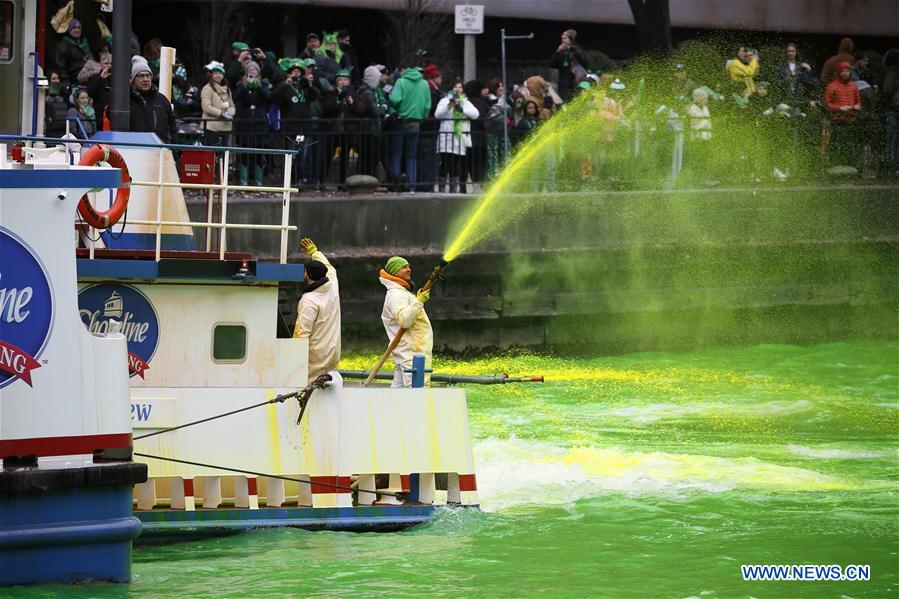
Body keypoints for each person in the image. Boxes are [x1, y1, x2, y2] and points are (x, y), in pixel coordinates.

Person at [379, 256, 432, 388]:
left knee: (398, 398)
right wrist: (419, 301)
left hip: (409, 354)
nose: (409, 269)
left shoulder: (402, 293)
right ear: (394, 271)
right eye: (403, 267)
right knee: (417, 396)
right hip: (411, 356)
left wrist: (417, 300)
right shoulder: (396, 295)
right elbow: (405, 321)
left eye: (408, 266)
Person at [293, 237, 341, 382]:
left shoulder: (309, 301)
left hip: (315, 358)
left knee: (310, 388)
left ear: (307, 274)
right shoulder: (332, 284)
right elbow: (329, 266)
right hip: (333, 352)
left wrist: (292, 360)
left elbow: (301, 334)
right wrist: (314, 252)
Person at [389, 66, 432, 192]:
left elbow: (395, 99)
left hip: (401, 121)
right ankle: (412, 186)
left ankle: (396, 185)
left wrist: (394, 108)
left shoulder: (401, 82)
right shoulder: (424, 84)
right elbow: (427, 105)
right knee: (412, 156)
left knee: (397, 154)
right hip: (416, 123)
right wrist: (422, 117)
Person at [435, 79, 479, 193]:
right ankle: (441, 187)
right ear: (451, 89)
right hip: (446, 137)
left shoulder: (466, 102)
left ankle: (453, 188)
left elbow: (475, 114)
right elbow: (437, 115)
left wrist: (462, 109)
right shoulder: (444, 101)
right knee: (445, 163)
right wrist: (449, 107)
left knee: (455, 164)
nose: (457, 89)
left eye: (460, 87)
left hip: (459, 138)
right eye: (455, 87)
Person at [233, 61, 272, 186]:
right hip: (245, 121)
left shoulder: (263, 84)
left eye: (254, 70)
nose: (252, 72)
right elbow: (236, 97)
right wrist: (245, 85)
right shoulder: (242, 84)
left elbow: (268, 97)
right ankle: (243, 181)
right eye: (250, 70)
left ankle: (258, 181)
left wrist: (258, 85)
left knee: (259, 152)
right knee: (244, 152)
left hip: (259, 121)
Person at [128, 55, 177, 143]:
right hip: (134, 150)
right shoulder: (125, 100)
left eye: (148, 75)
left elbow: (172, 128)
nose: (145, 79)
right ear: (133, 80)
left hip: (159, 151)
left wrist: (173, 152)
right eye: (141, 76)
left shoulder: (162, 100)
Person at [825, 61, 862, 167]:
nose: (845, 73)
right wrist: (839, 108)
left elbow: (858, 102)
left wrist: (857, 107)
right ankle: (834, 165)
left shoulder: (854, 86)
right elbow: (828, 104)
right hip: (837, 120)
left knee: (850, 144)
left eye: (847, 71)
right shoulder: (832, 86)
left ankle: (850, 165)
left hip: (851, 120)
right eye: (842, 71)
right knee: (836, 143)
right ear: (838, 72)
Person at [200, 63, 234, 146]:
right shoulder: (207, 88)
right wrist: (221, 113)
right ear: (212, 75)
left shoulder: (227, 89)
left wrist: (231, 112)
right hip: (211, 127)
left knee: (224, 153)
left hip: (226, 126)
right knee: (212, 154)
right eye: (215, 73)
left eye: (220, 73)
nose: (218, 76)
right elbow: (206, 106)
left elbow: (232, 105)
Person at [550, 28, 588, 100]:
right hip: (564, 84)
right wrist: (557, 52)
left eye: (564, 38)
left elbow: (585, 63)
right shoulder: (561, 51)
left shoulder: (577, 49)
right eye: (562, 38)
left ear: (570, 39)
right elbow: (552, 64)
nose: (562, 40)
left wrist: (577, 54)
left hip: (576, 82)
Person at [55, 18, 92, 86]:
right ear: (69, 30)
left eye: (79, 28)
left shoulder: (85, 43)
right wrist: (66, 81)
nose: (77, 30)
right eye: (74, 28)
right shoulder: (64, 45)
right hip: (73, 80)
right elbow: (61, 65)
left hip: (88, 79)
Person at [45, 70, 70, 137]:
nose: (56, 81)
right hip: (50, 125)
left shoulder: (64, 93)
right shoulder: (44, 93)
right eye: (53, 79)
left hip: (62, 124)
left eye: (58, 78)